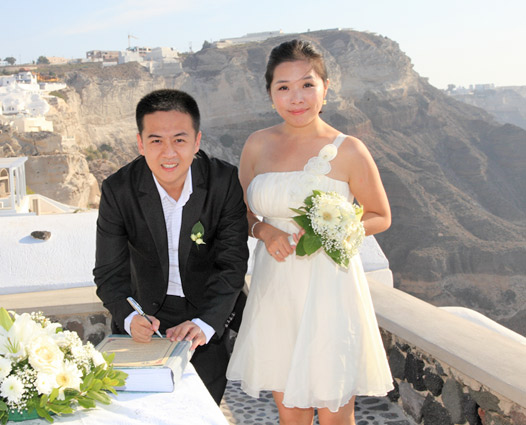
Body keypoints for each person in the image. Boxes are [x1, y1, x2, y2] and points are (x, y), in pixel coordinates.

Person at [226, 39, 394, 425]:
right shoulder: (257, 145)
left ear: (325, 87)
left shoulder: (349, 149)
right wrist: (265, 232)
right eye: (282, 87)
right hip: (276, 288)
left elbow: (379, 215)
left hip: (330, 290)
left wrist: (332, 230)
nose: (295, 97)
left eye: (306, 84)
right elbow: (245, 210)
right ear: (270, 94)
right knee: (292, 414)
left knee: (336, 416)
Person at [93, 89, 249, 404]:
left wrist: (205, 324)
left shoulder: (223, 182)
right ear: (139, 143)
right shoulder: (118, 190)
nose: (168, 153)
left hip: (206, 314)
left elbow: (232, 263)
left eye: (179, 140)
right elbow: (109, 272)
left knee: (200, 410)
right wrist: (128, 318)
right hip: (144, 314)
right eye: (155, 141)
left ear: (197, 140)